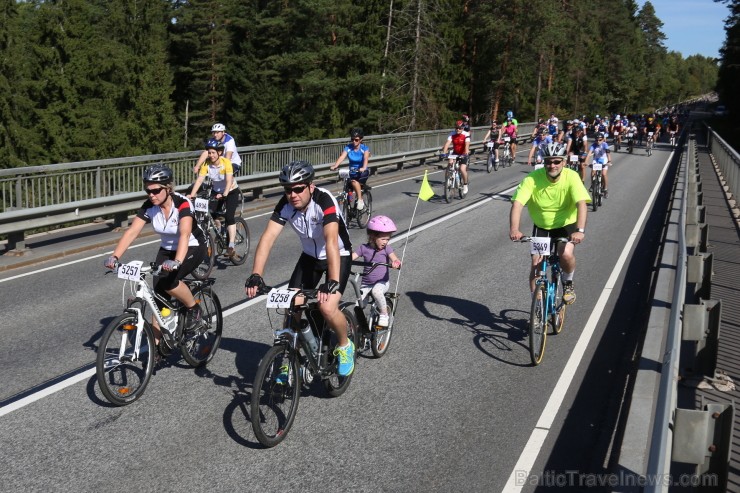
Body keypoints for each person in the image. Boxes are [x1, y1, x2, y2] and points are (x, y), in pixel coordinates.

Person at [244, 160, 355, 376]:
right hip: (310, 257)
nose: (293, 194)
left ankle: (344, 345)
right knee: (292, 303)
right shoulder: (285, 205)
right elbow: (267, 238)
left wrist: (331, 282)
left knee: (327, 307)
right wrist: (256, 274)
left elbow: (331, 240)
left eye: (298, 189)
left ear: (310, 187)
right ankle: (289, 357)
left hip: (338, 255)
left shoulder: (324, 201)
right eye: (288, 190)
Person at [104, 164, 207, 349]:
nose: (151, 195)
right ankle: (158, 348)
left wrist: (176, 262)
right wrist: (115, 257)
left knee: (169, 282)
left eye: (156, 190)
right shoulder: (149, 206)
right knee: (157, 297)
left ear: (168, 188)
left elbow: (184, 234)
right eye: (148, 191)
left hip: (192, 246)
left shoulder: (182, 203)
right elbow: (132, 232)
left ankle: (194, 309)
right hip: (167, 249)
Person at [509, 142, 590, 304]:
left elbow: (582, 203)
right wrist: (514, 229)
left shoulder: (572, 176)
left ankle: (568, 283)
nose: (552, 165)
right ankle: (537, 308)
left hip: (566, 226)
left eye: (556, 161)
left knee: (565, 254)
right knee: (536, 264)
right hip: (542, 227)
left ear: (564, 162)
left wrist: (580, 230)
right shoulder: (532, 178)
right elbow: (517, 204)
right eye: (548, 162)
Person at [189, 138, 239, 257]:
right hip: (216, 192)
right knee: (214, 215)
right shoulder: (207, 164)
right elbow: (200, 179)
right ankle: (220, 232)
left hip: (230, 191)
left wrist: (225, 193)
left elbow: (228, 181)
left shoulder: (226, 162)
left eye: (213, 153)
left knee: (229, 216)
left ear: (219, 153)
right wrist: (192, 194)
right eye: (209, 153)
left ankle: (231, 245)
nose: (211, 155)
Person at [352, 215, 402, 327]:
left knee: (376, 292)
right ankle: (356, 324)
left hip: (382, 282)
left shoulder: (387, 249)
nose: (385, 242)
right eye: (383, 239)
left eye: (387, 239)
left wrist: (396, 263)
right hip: (366, 283)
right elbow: (352, 256)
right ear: (373, 237)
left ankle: (384, 314)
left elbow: (395, 258)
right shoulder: (363, 248)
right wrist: (343, 260)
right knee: (359, 304)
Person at [330, 128, 370, 211]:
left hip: (362, 171)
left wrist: (363, 167)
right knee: (347, 187)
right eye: (352, 139)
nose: (354, 141)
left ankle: (360, 200)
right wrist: (335, 165)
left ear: (361, 140)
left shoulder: (364, 148)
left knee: (354, 182)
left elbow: (366, 158)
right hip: (352, 171)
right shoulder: (348, 147)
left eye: (356, 140)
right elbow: (342, 157)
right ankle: (348, 206)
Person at [441, 120, 471, 194]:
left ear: (463, 128)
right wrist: (444, 152)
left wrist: (466, 152)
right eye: (457, 128)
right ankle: (447, 180)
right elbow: (447, 144)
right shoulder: (452, 134)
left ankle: (465, 184)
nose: (458, 129)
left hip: (463, 153)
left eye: (460, 128)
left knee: (462, 168)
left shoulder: (466, 134)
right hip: (455, 152)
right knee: (450, 164)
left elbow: (467, 144)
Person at [585, 133, 613, 197]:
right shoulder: (593, 145)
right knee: (593, 172)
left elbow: (608, 153)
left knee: (603, 174)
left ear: (603, 140)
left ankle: (605, 189)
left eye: (600, 140)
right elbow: (589, 154)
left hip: (604, 159)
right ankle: (593, 184)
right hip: (596, 159)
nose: (598, 141)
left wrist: (609, 161)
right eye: (597, 140)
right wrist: (586, 161)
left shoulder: (605, 145)